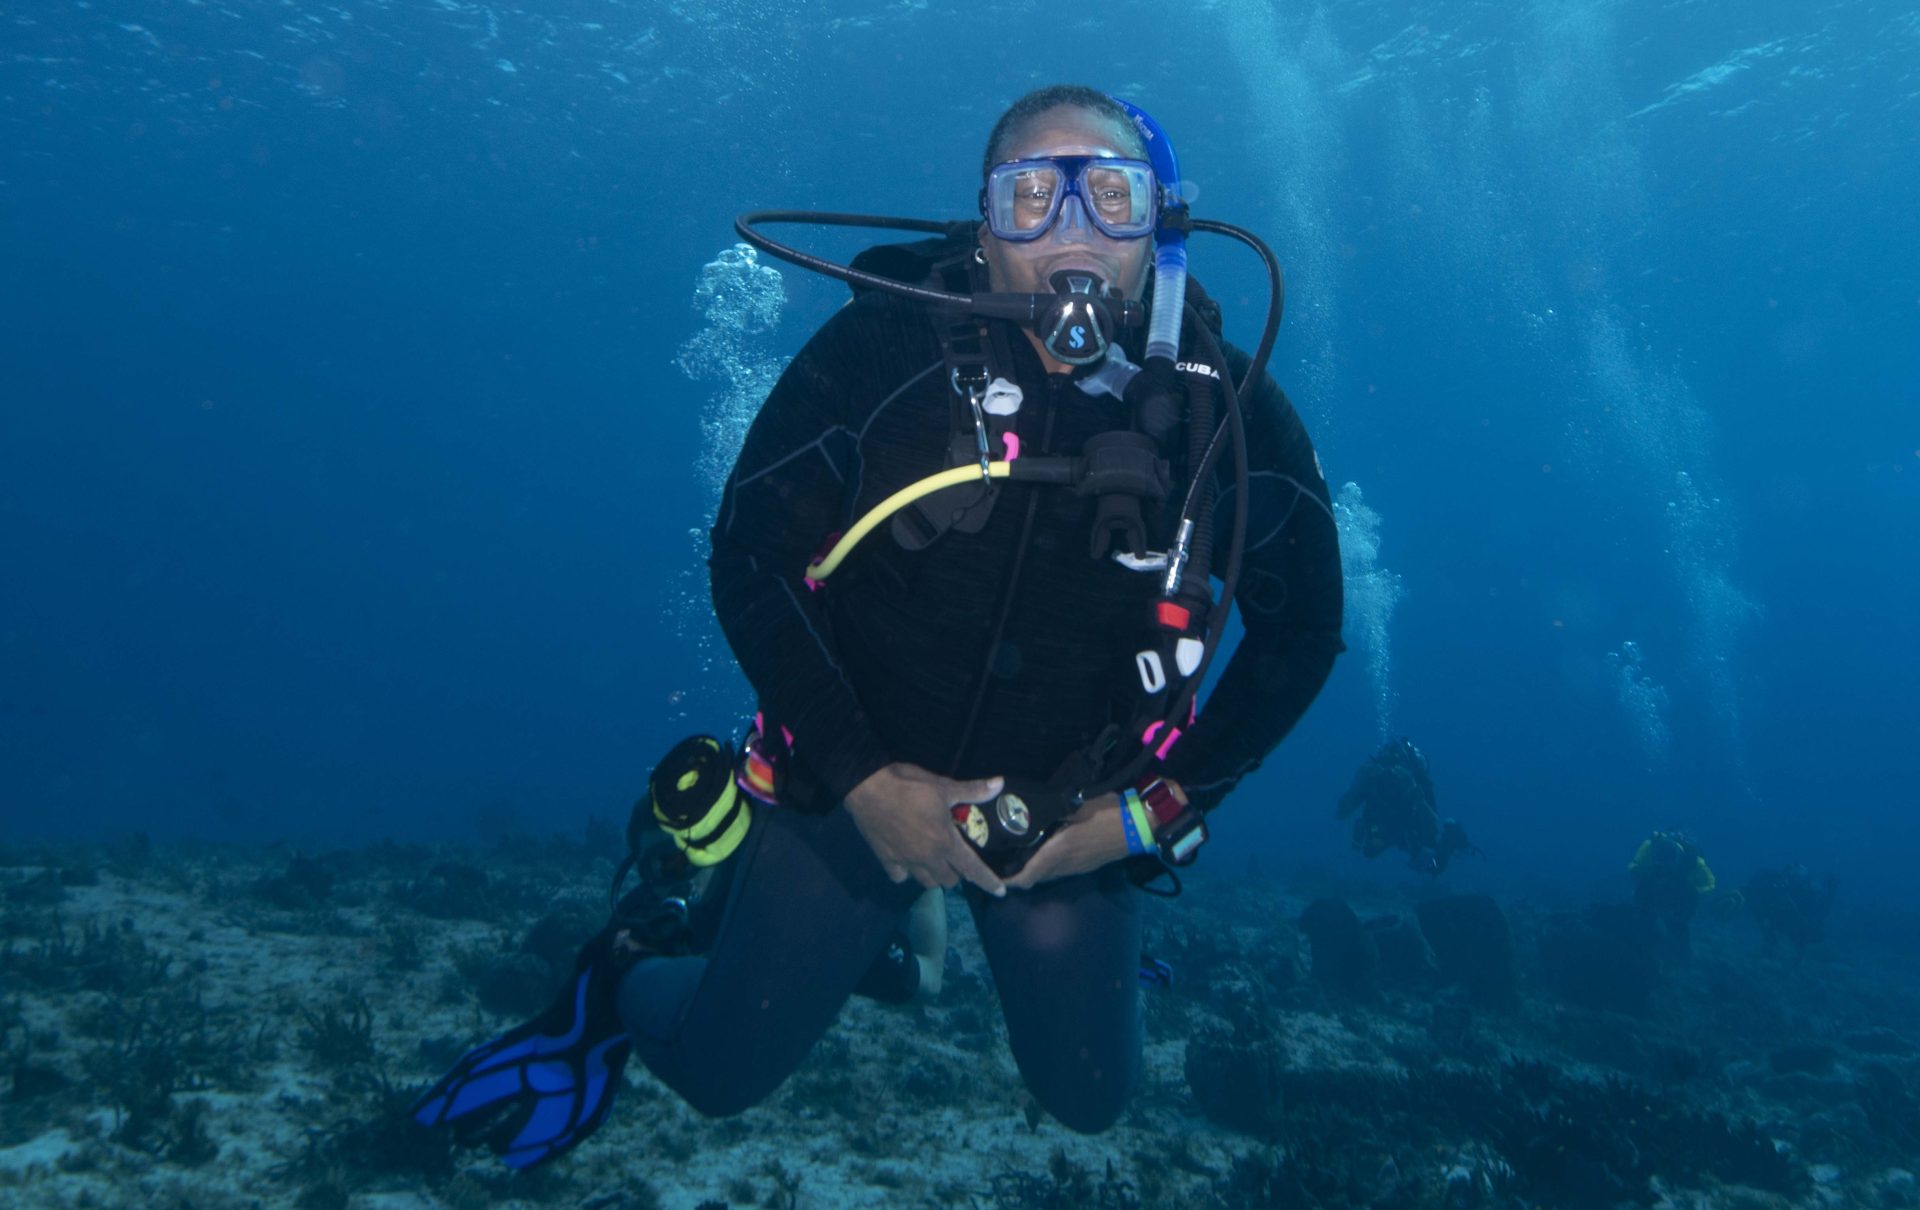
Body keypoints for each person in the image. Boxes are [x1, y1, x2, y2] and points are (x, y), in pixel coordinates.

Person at [412, 84, 1343, 1168]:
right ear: (985, 228)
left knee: (1091, 1098)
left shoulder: (1226, 410)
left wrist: (1142, 818)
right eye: (1031, 195)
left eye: (1113, 196)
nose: (1071, 231)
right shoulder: (883, 347)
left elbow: (1306, 631)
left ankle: (902, 930)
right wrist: (862, 780)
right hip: (852, 781)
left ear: (1160, 229)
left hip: (1067, 813)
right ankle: (624, 962)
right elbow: (748, 555)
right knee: (719, 1073)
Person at [1337, 738, 1478, 874]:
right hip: (1383, 829)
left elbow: (1432, 829)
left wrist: (1416, 795)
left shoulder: (1415, 782)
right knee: (1369, 852)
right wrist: (1357, 786)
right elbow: (1340, 814)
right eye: (1386, 766)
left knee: (1435, 865)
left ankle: (1451, 838)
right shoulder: (1371, 782)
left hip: (1410, 831)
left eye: (1395, 767)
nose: (1390, 773)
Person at [1628, 829, 1716, 959]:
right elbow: (1634, 865)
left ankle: (1680, 953)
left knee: (1677, 922)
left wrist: (1692, 892)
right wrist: (1638, 873)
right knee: (1643, 914)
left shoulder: (1694, 861)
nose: (1664, 869)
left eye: (1668, 866)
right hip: (1653, 883)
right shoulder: (1649, 849)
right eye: (1660, 864)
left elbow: (1710, 884)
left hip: (1680, 890)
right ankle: (1644, 943)